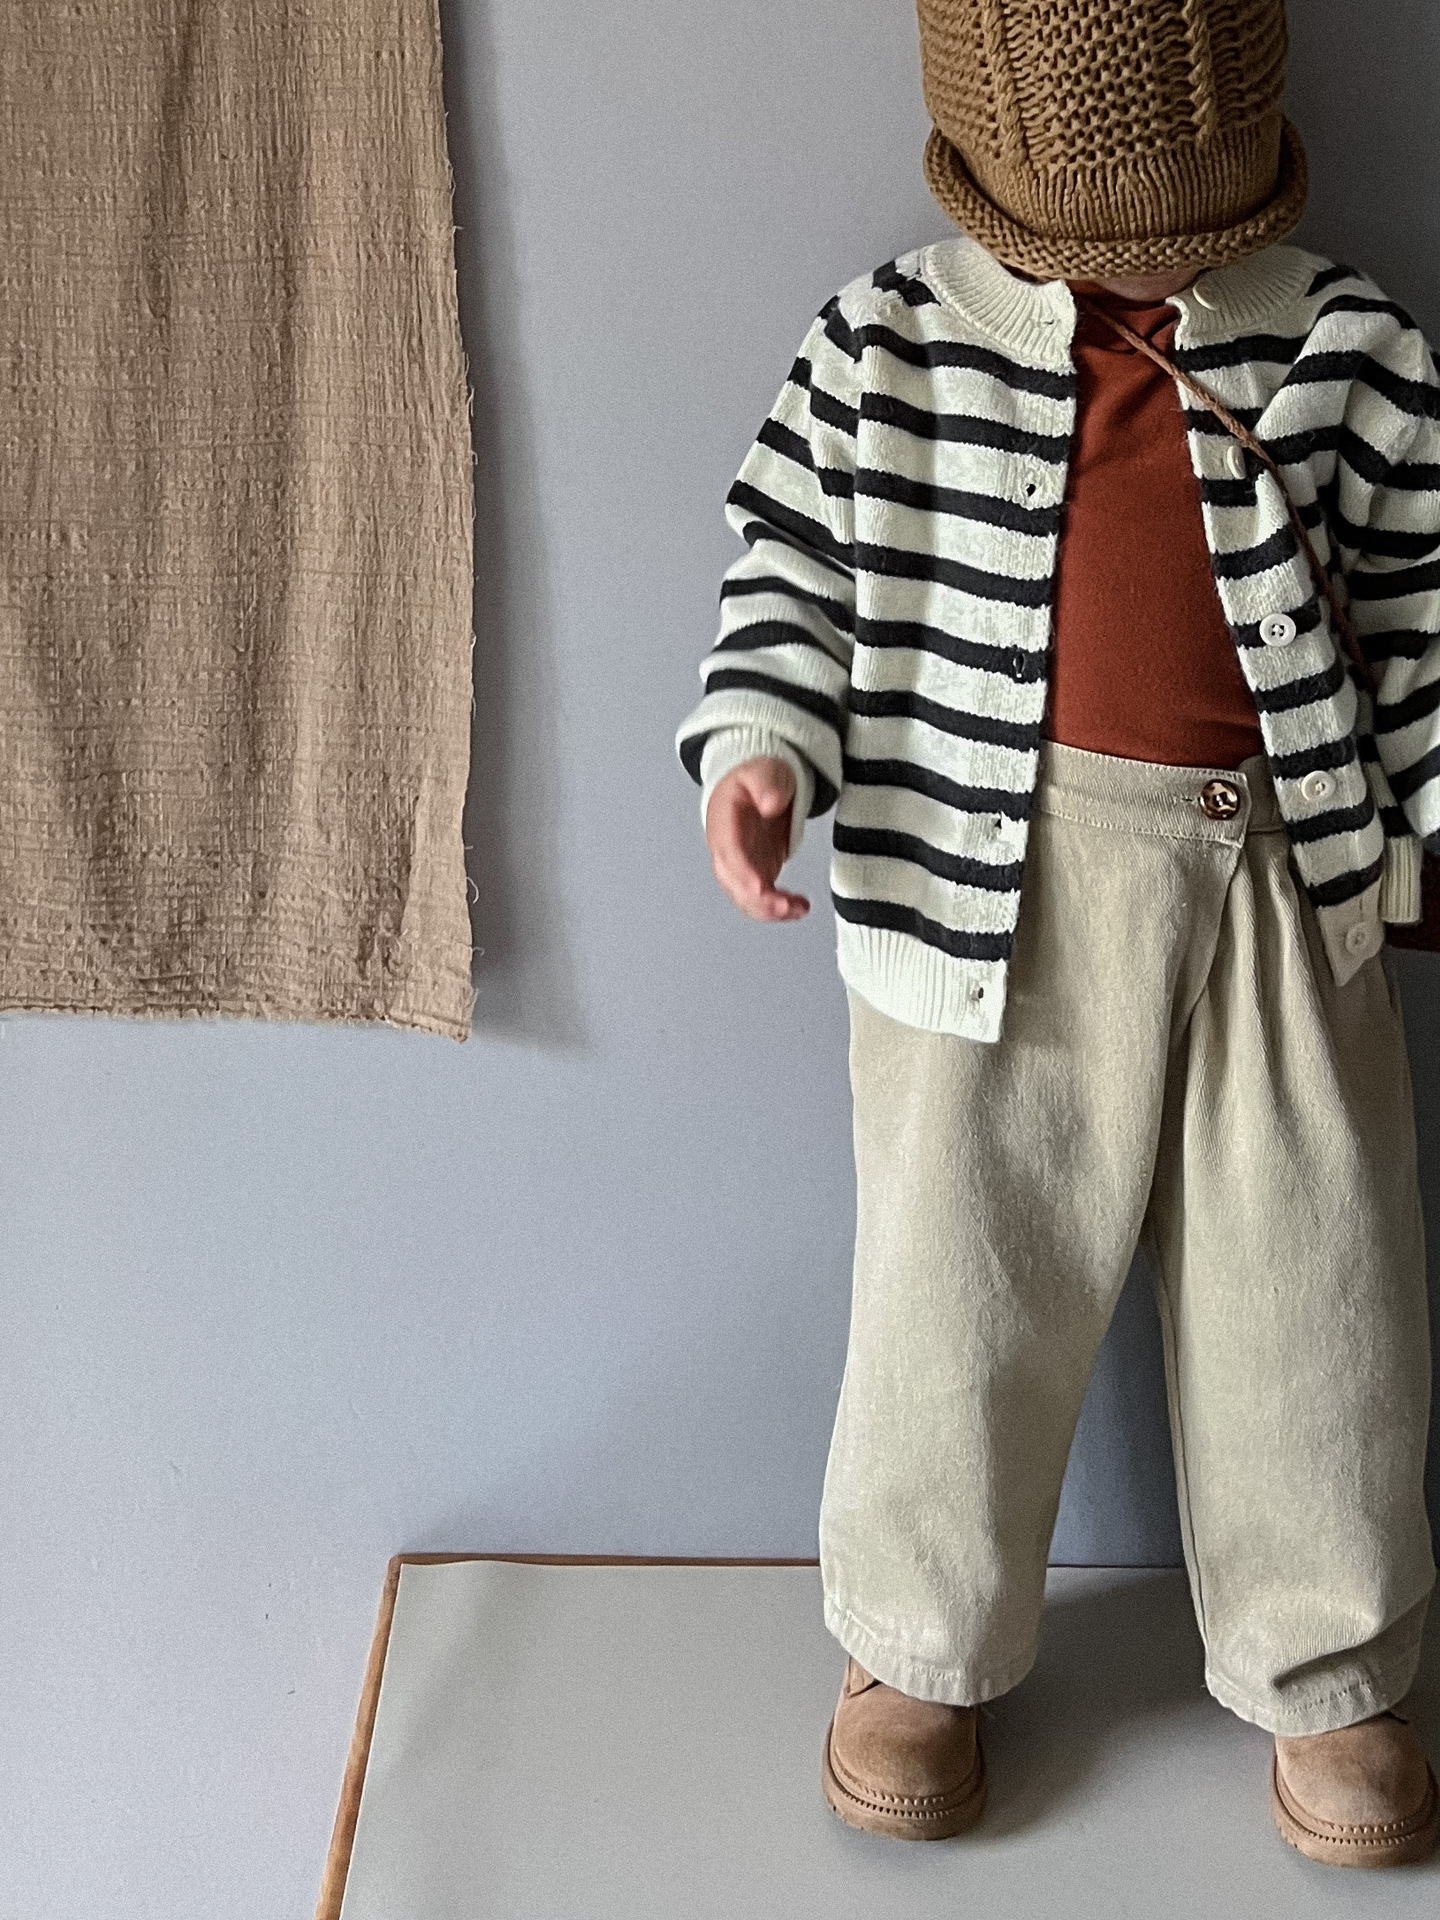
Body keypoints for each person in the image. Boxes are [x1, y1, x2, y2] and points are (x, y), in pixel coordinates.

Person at [676, 0, 1440, 1869]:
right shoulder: (887, 341)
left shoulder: (1348, 343)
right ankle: (915, 1644)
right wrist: (762, 751)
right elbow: (790, 566)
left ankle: (1330, 1662)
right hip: (978, 903)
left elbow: (1425, 615)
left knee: (1315, 1287)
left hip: (1281, 890)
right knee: (957, 1281)